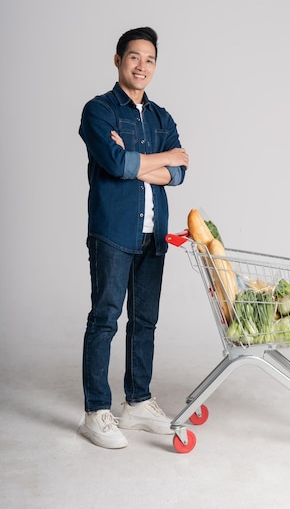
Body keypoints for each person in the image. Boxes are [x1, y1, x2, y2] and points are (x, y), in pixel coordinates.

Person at [78, 27, 188, 449]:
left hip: (153, 233)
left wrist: (136, 161)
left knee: (145, 322)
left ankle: (137, 402)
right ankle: (96, 411)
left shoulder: (161, 117)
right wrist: (155, 160)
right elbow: (115, 162)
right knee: (105, 318)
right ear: (118, 60)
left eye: (150, 59)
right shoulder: (98, 110)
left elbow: (179, 173)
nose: (142, 66)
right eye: (134, 57)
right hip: (112, 230)